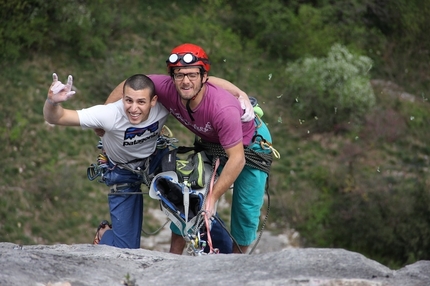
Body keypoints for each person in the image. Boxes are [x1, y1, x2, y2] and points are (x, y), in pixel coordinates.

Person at [105, 43, 274, 254]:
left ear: (204, 78)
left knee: (245, 210)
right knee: (186, 191)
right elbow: (128, 85)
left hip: (250, 146)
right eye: (179, 74)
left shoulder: (222, 108)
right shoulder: (167, 87)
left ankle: (237, 265)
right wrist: (106, 124)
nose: (185, 81)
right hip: (211, 142)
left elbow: (237, 159)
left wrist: (212, 199)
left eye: (192, 75)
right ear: (172, 76)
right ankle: (173, 258)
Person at [44, 73, 170, 249]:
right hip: (122, 172)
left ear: (153, 101)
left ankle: (179, 256)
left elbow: (201, 88)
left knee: (188, 199)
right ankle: (105, 233)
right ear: (123, 98)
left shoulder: (165, 106)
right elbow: (55, 118)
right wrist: (52, 102)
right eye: (128, 101)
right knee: (125, 251)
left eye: (141, 102)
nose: (133, 109)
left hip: (155, 159)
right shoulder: (110, 114)